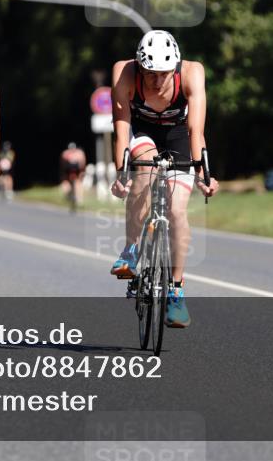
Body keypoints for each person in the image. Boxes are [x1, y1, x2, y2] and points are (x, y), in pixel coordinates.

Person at [109, 30, 219, 328]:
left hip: (179, 134)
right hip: (141, 131)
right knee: (144, 173)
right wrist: (121, 174)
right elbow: (121, 128)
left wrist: (203, 174)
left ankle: (176, 291)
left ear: (175, 67)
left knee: (177, 211)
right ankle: (131, 251)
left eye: (164, 74)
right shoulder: (124, 72)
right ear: (139, 66)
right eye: (150, 74)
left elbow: (196, 130)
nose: (157, 81)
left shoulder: (192, 73)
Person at [59, 142, 87, 208]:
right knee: (66, 183)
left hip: (76, 171)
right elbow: (63, 165)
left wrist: (82, 173)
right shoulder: (66, 153)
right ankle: (70, 196)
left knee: (77, 183)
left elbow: (82, 163)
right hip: (69, 171)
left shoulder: (78, 153)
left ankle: (78, 199)